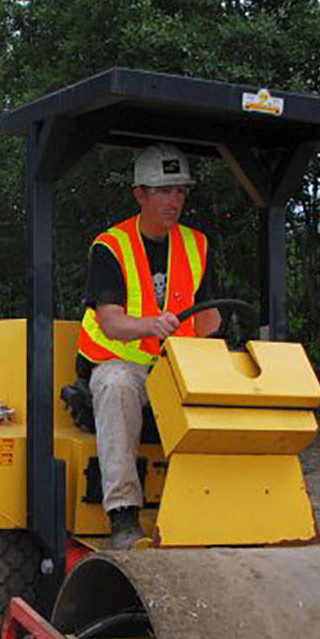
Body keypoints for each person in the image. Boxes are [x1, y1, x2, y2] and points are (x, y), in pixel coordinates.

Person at [77, 143, 221, 549]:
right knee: (117, 385)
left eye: (179, 191)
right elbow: (111, 321)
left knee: (222, 393)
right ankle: (123, 514)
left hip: (177, 367)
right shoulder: (111, 246)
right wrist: (150, 326)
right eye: (163, 190)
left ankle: (207, 509)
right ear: (140, 193)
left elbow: (209, 319)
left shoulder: (198, 245)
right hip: (122, 362)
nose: (174, 200)